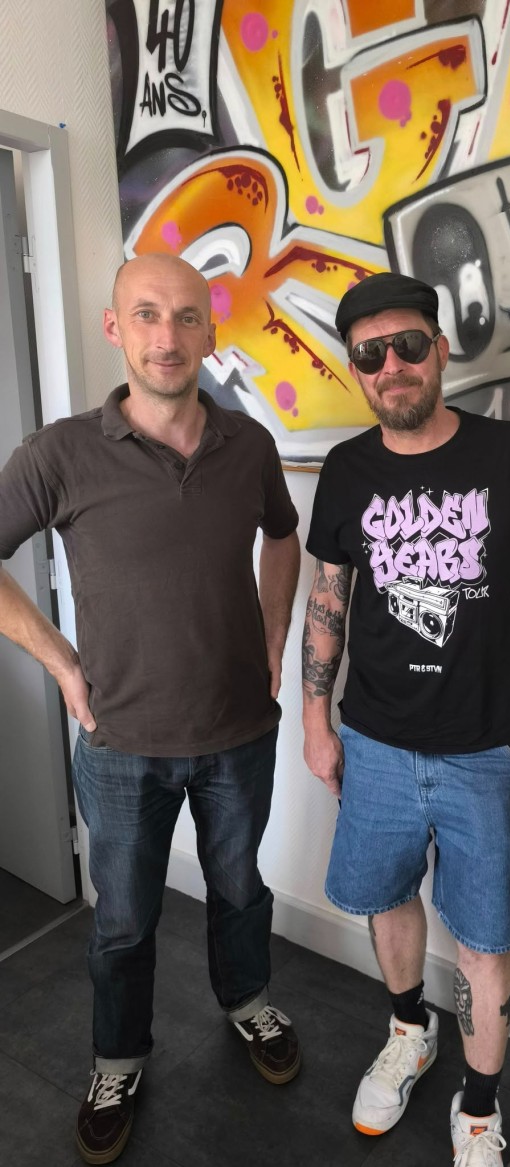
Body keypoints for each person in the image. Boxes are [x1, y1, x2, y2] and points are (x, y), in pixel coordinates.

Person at [0, 254, 302, 1165]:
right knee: (124, 921)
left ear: (210, 330)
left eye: (185, 317)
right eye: (145, 315)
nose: (167, 337)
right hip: (121, 743)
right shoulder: (58, 452)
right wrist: (60, 660)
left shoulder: (247, 444)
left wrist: (274, 637)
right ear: (114, 328)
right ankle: (118, 1058)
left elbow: (283, 538)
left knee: (240, 891)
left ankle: (246, 1001)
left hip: (240, 732)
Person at [301, 272, 510, 1165]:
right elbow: (327, 601)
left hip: (485, 747)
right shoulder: (347, 469)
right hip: (372, 739)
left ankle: (478, 1107)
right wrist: (315, 718)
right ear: (356, 371)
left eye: (408, 344)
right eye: (370, 354)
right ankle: (409, 1029)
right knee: (387, 896)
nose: (392, 365)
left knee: (484, 939)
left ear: (439, 349)